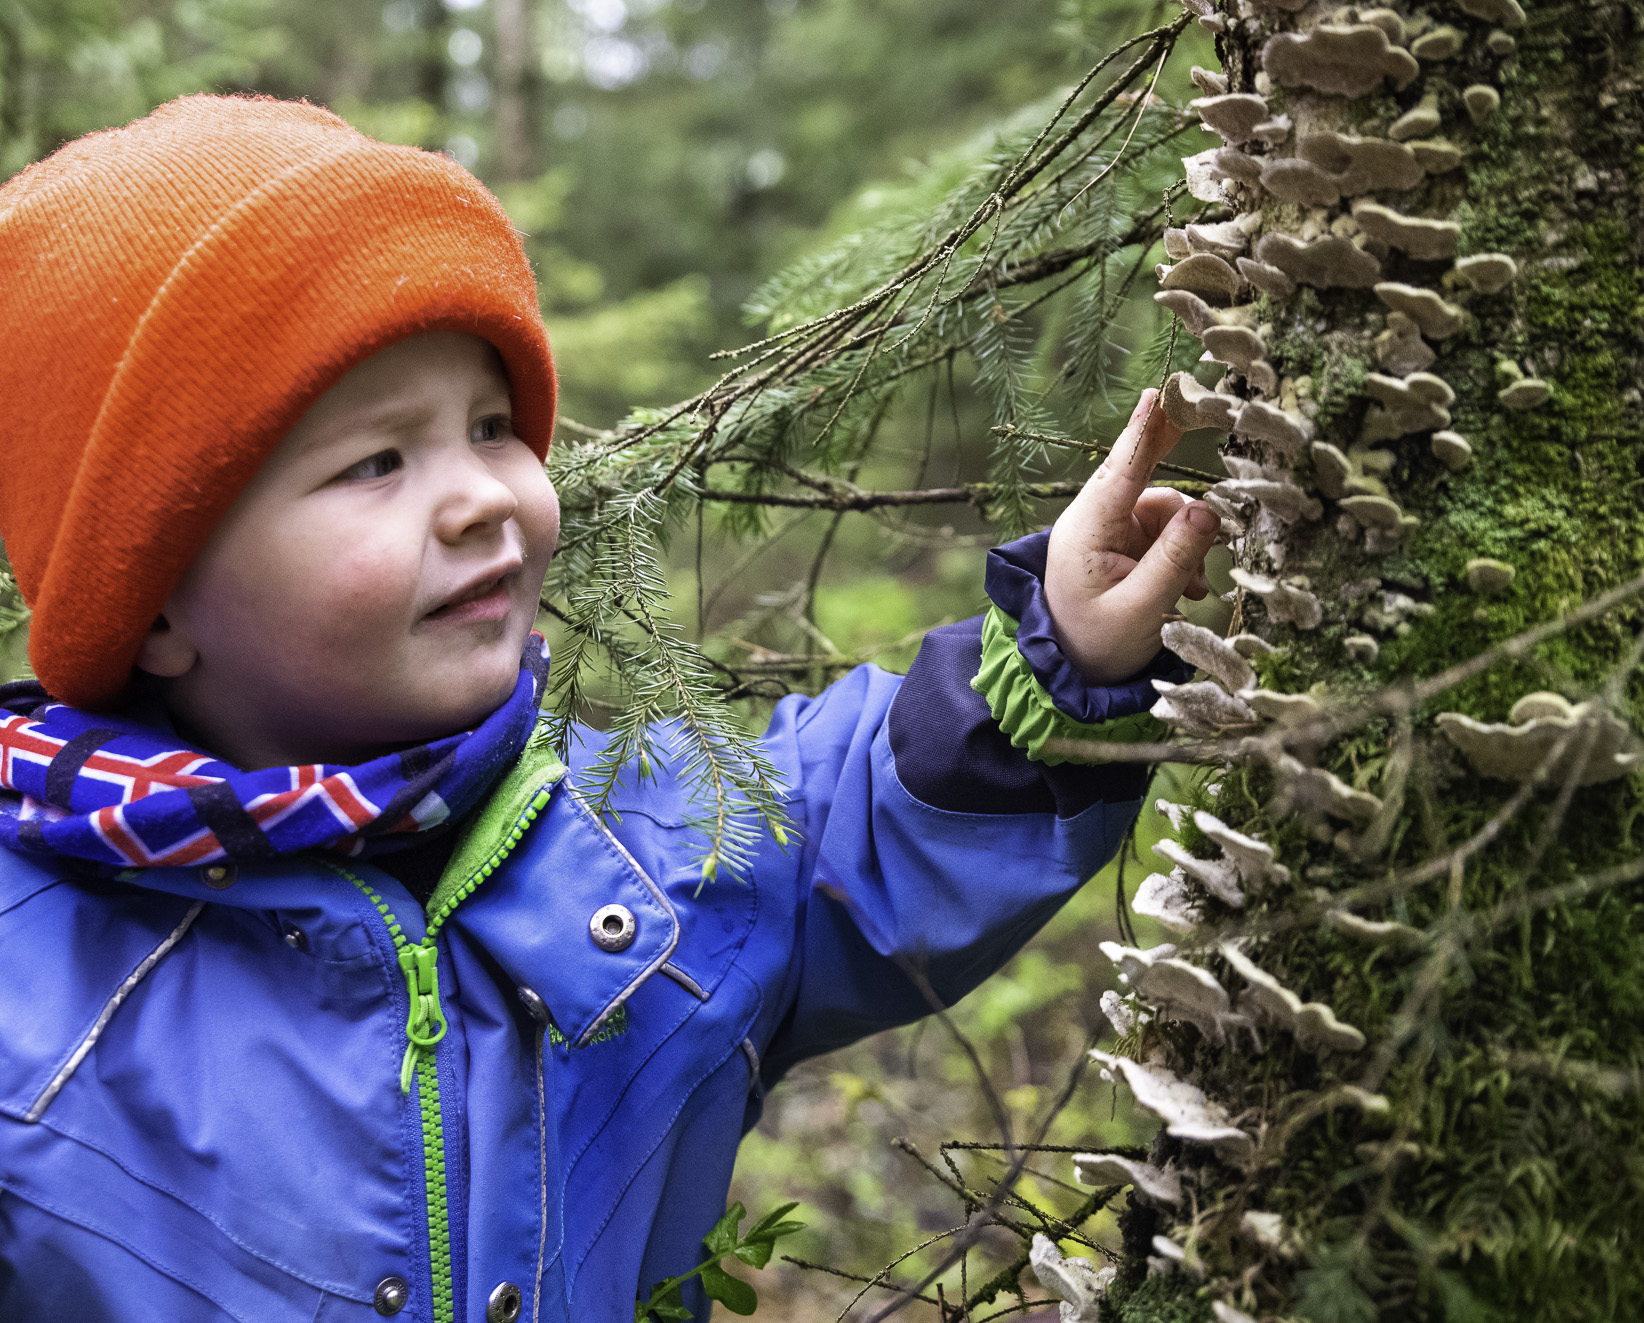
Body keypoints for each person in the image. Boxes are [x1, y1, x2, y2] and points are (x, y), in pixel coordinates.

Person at [0, 96, 1218, 1323]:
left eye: (490, 428)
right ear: (153, 602)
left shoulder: (643, 848)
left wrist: (1058, 648)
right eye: (377, 461)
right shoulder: (29, 977)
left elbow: (862, 829)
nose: (481, 496)